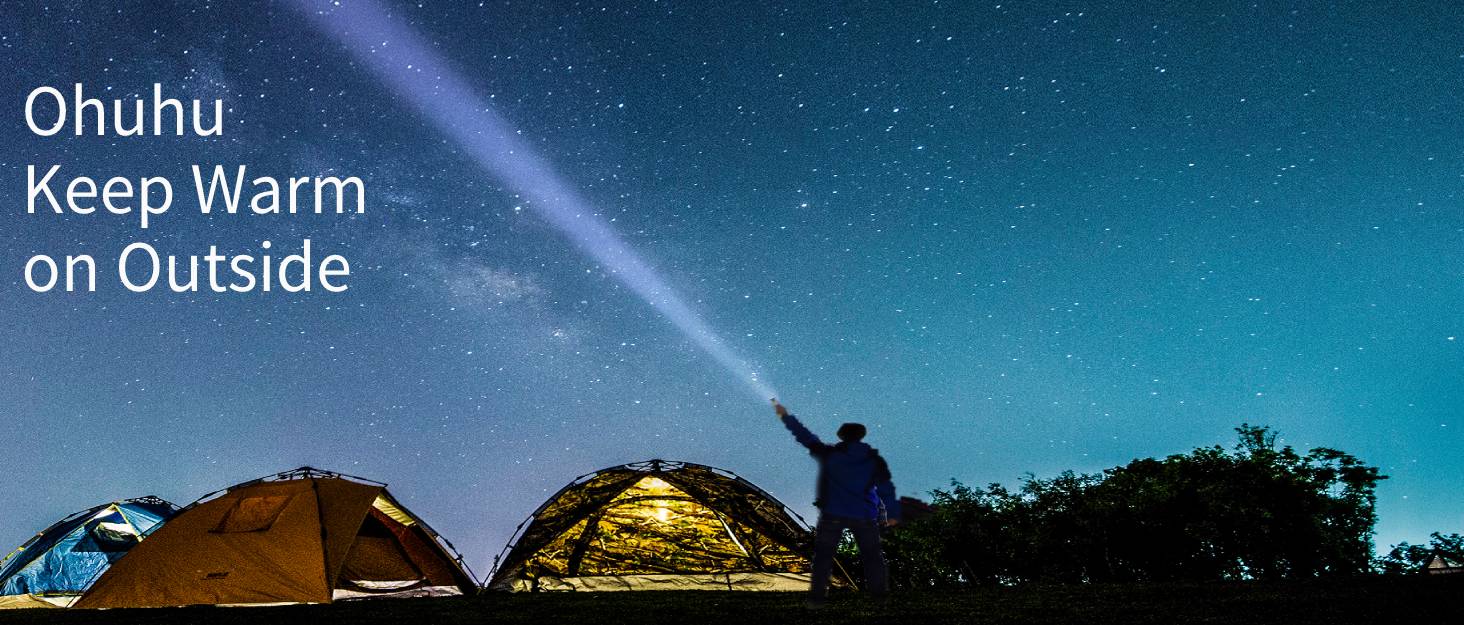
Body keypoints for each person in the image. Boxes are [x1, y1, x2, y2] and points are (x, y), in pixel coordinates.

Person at [773, 399, 899, 605]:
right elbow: (886, 488)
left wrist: (785, 416)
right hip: (865, 513)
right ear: (861, 436)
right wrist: (890, 514)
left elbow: (804, 436)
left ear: (841, 436)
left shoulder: (829, 454)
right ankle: (879, 596)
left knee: (823, 556)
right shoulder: (873, 459)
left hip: (834, 512)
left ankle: (817, 598)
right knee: (872, 556)